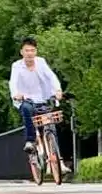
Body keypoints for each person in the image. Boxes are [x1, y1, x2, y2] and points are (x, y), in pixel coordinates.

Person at [8, 37, 71, 172]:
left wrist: (58, 90)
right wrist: (16, 94)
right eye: (27, 50)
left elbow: (51, 76)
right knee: (26, 109)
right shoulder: (17, 66)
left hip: (43, 98)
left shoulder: (41, 62)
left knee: (50, 127)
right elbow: (13, 82)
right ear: (22, 52)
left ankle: (58, 162)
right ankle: (30, 141)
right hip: (26, 99)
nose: (30, 53)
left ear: (36, 52)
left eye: (32, 50)